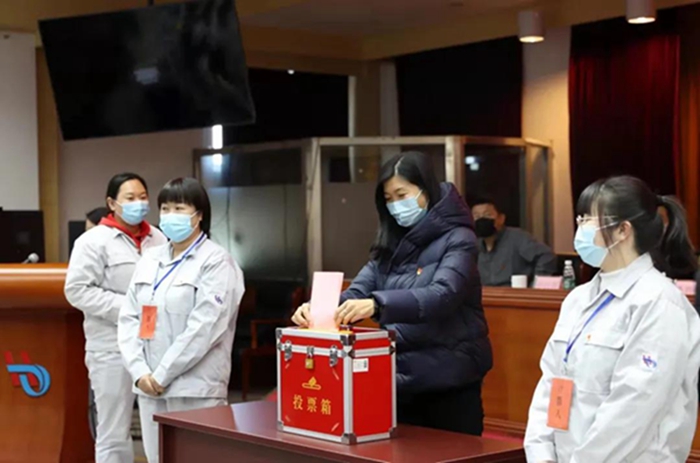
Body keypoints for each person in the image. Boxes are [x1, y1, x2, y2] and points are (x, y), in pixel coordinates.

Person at [291, 151, 492, 436]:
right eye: (388, 199)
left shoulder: (460, 238)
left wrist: (377, 305)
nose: (396, 206)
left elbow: (443, 294)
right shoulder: (392, 242)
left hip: (450, 382)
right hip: (398, 380)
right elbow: (358, 291)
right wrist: (317, 308)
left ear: (426, 190)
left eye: (402, 195)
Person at [524, 175, 700, 463]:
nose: (580, 228)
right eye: (579, 219)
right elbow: (550, 382)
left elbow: (635, 406)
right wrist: (541, 454)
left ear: (622, 230)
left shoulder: (659, 303)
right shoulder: (579, 299)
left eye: (588, 220)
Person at [118, 177, 245, 463]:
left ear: (198, 215)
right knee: (157, 458)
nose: (170, 215)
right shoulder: (150, 259)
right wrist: (139, 372)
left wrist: (162, 375)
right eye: (165, 208)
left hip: (195, 389)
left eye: (179, 208)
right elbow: (129, 318)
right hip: (149, 387)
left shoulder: (216, 261)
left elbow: (205, 328)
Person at [65, 173, 167, 463]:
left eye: (143, 197)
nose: (139, 203)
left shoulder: (158, 238)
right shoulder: (93, 241)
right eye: (130, 198)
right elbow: (76, 290)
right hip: (111, 347)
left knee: (157, 426)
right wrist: (129, 308)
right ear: (112, 203)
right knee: (114, 430)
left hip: (154, 345)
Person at [471, 197, 556, 286]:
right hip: (486, 293)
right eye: (476, 216)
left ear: (501, 218)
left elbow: (546, 256)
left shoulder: (517, 237)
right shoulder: (473, 244)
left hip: (515, 292)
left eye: (487, 215)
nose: (481, 219)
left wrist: (536, 284)